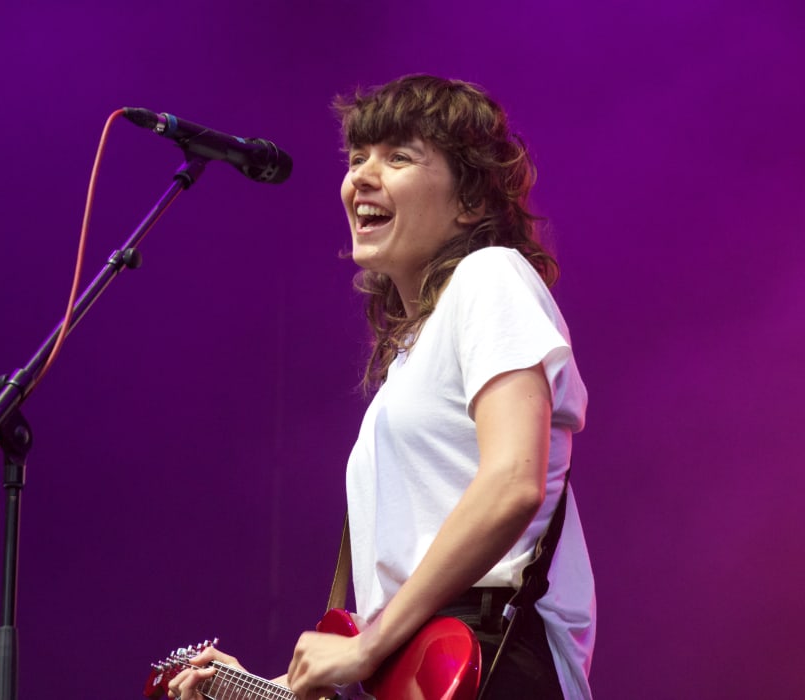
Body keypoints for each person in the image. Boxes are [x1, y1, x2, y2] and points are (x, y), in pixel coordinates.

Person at [167, 74, 595, 700]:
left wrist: (366, 644)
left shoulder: (490, 275)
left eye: (398, 156)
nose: (361, 176)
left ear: (470, 199)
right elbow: (392, 650)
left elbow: (512, 482)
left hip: (500, 663)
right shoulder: (407, 363)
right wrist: (260, 688)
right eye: (357, 157)